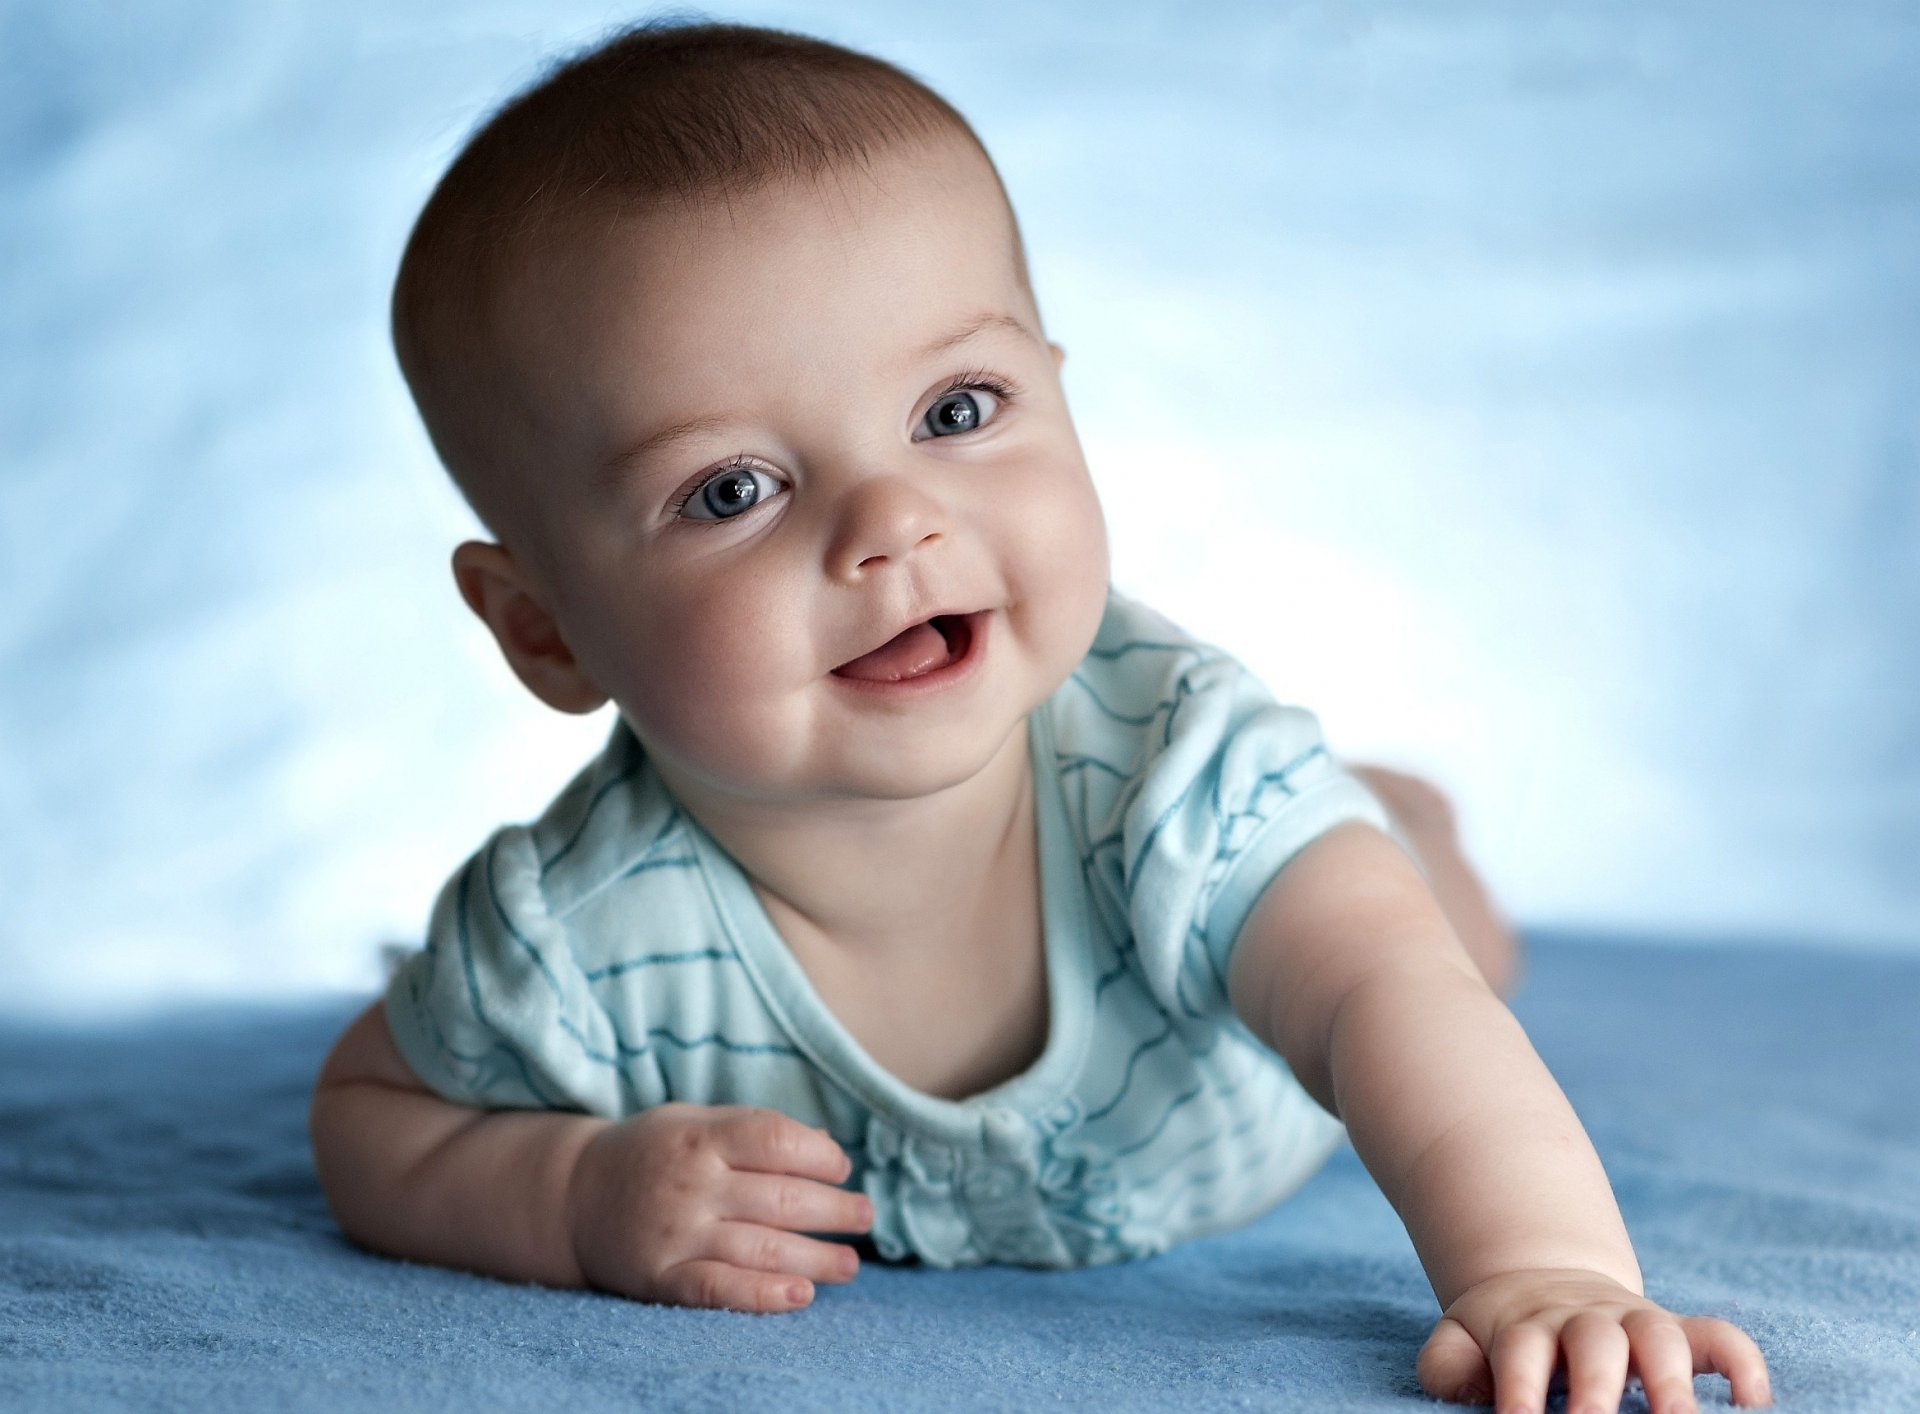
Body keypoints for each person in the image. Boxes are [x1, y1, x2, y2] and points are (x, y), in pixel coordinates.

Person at [308, 21, 1769, 1413]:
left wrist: (1542, 1271)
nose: (893, 522)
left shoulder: (1178, 778)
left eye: (955, 411)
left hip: (1277, 1070)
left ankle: (1396, 821)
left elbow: (1388, 995)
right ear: (545, 626)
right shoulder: (575, 935)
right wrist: (572, 1196)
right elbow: (369, 1114)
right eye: (733, 489)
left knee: (1430, 930)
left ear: (1058, 397)